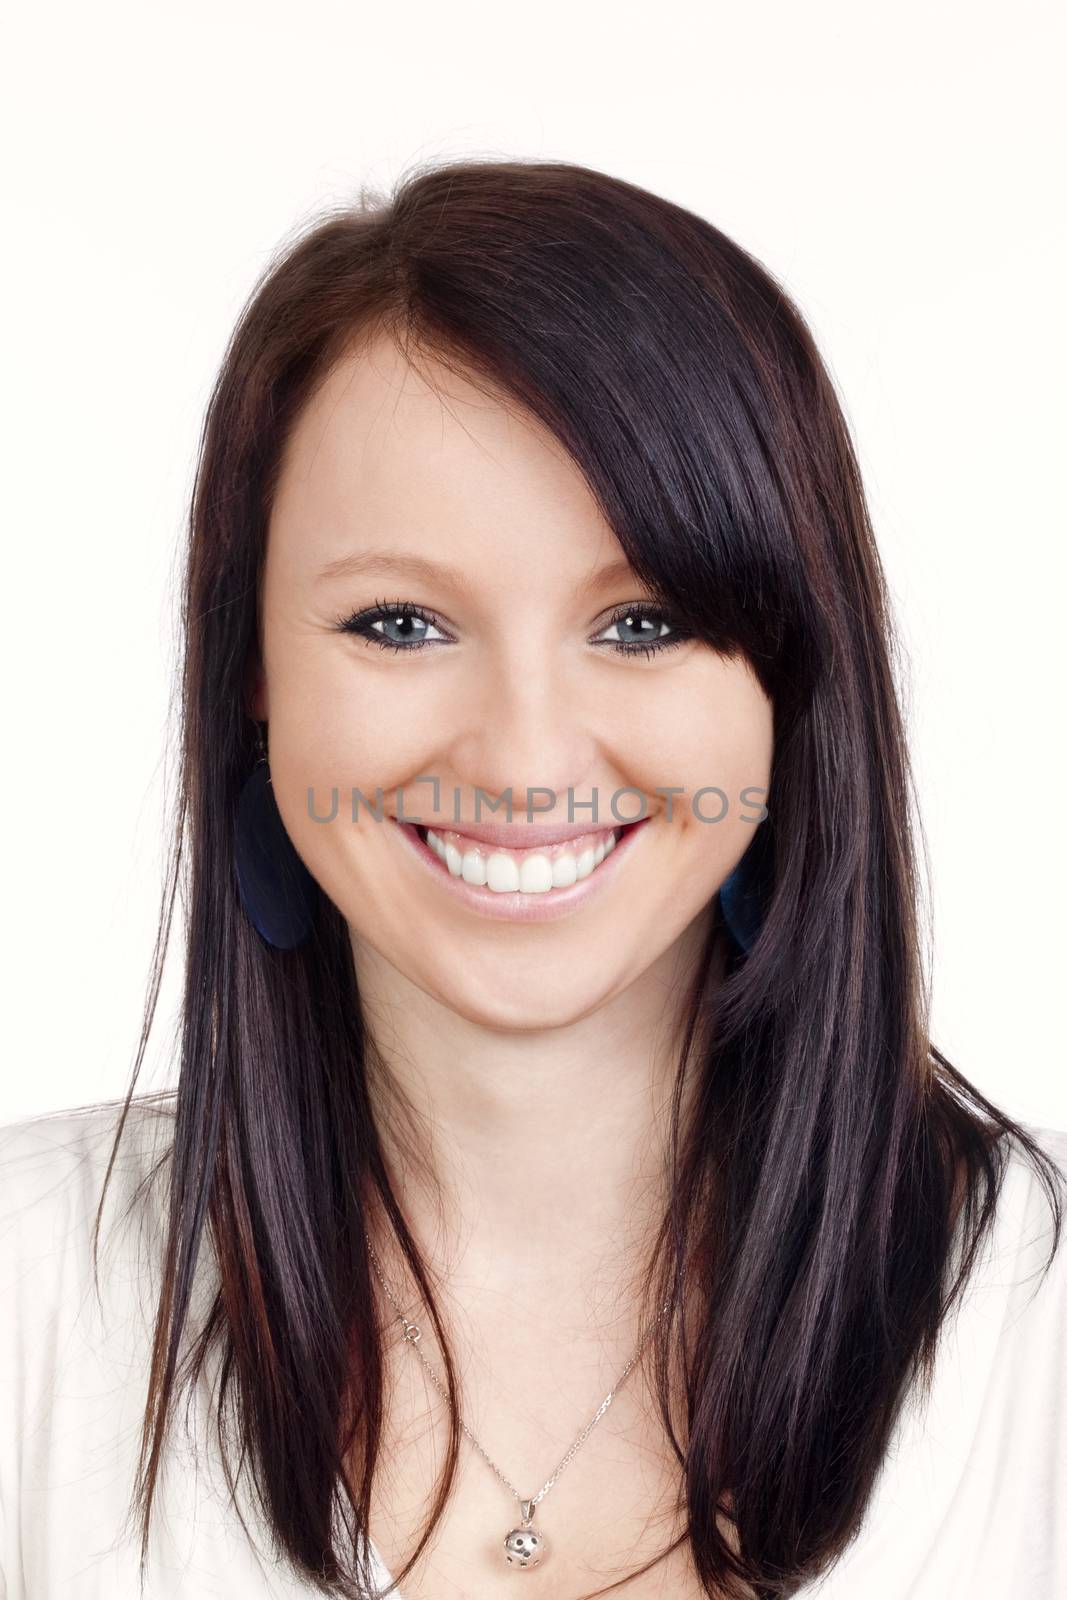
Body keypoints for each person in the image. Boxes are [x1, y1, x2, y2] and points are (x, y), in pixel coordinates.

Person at [1, 157, 1064, 1600]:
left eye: (640, 623)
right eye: (397, 621)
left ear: (790, 679)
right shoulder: (31, 1291)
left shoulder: (1034, 1335)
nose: (520, 756)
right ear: (252, 669)